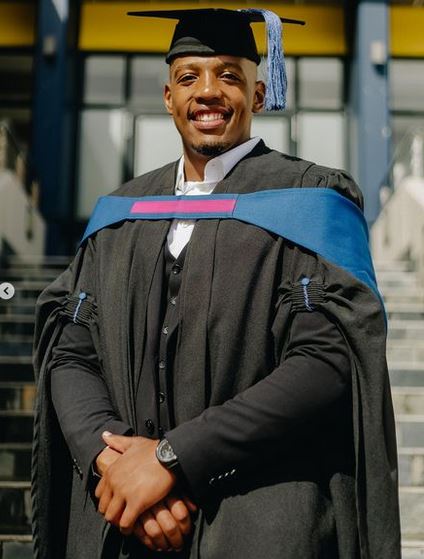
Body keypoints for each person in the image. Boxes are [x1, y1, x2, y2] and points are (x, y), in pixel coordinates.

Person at [31, 8, 401, 559]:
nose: (207, 91)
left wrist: (171, 460)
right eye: (189, 77)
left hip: (260, 521)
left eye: (228, 75)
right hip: (127, 523)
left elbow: (327, 362)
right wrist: (114, 462)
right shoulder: (122, 212)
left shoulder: (310, 199)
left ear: (258, 94)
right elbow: (69, 351)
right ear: (168, 97)